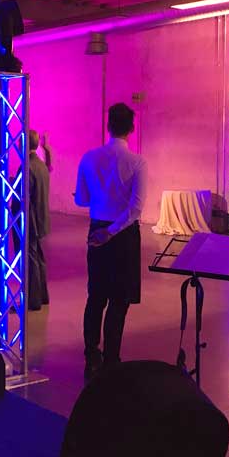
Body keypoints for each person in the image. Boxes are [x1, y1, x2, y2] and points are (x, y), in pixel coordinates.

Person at [74, 103, 148, 382]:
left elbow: (82, 199)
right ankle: (111, 358)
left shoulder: (89, 157)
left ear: (108, 126)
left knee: (96, 296)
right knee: (119, 299)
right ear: (132, 128)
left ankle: (91, 354)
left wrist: (104, 226)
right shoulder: (138, 162)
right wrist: (114, 230)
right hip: (124, 235)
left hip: (97, 230)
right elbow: (135, 208)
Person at [26, 130, 51, 311]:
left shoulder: (27, 167)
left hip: (31, 222)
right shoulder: (41, 166)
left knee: (31, 261)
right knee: (39, 259)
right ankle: (42, 296)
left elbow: (25, 197)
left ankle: (33, 300)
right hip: (42, 220)